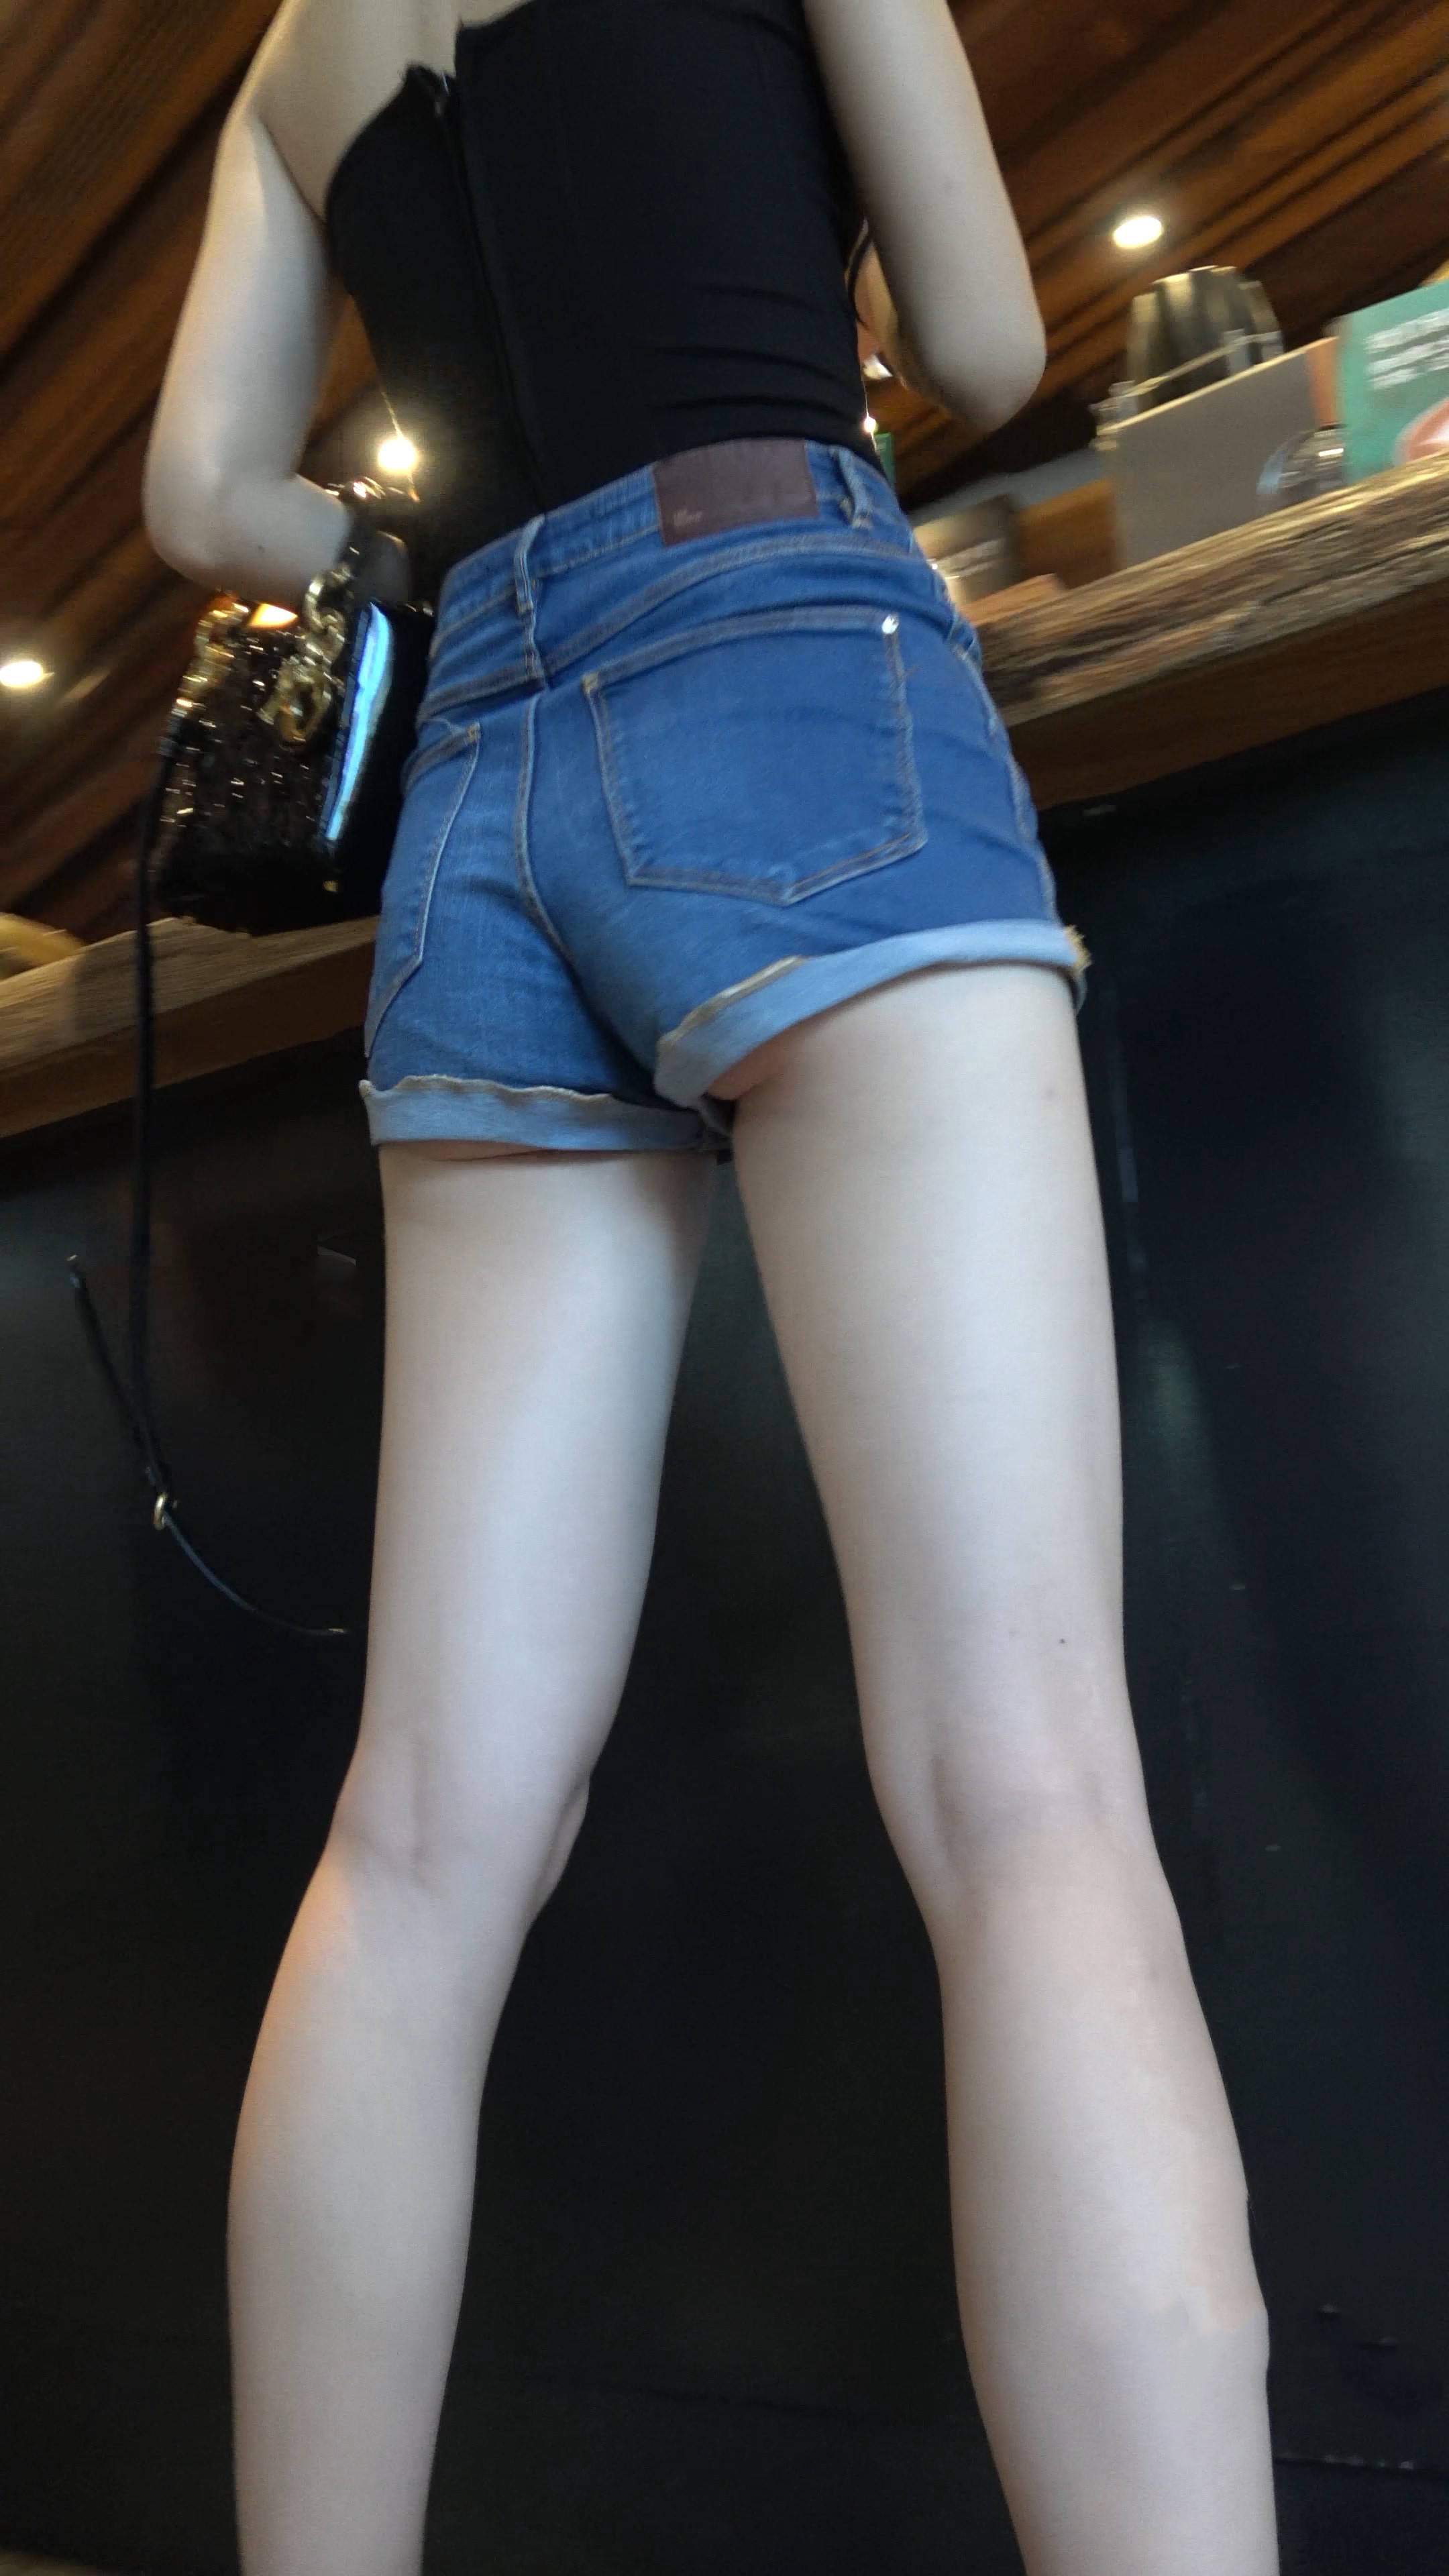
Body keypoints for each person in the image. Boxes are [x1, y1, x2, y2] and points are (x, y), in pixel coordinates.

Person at [141, 0, 1279, 2568]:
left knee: (416, 1849)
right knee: (1026, 1796)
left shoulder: (291, 54)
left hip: (481, 797)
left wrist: (436, 544)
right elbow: (987, 343)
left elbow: (202, 492)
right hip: (789, 655)